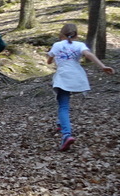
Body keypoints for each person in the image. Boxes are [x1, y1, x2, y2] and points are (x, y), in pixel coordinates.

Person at [46, 23, 114, 151]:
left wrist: (53, 57)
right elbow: (88, 55)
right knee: (64, 103)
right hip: (77, 76)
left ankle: (66, 135)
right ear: (76, 35)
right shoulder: (80, 45)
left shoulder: (57, 45)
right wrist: (103, 66)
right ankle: (60, 123)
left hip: (63, 77)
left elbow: (49, 61)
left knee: (63, 106)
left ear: (61, 34)